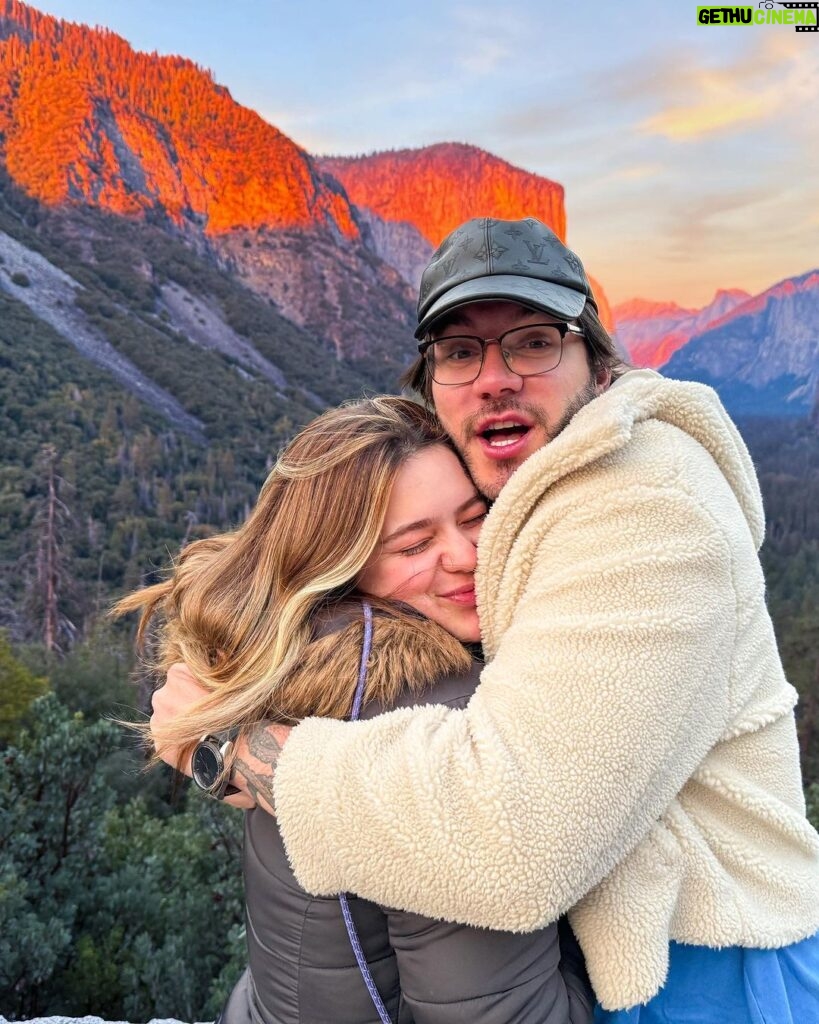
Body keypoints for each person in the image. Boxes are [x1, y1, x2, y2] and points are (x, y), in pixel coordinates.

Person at [153, 217, 819, 1020]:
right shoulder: (538, 496)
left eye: (533, 342)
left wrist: (233, 750)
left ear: (598, 365)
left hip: (707, 974)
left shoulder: (645, 507)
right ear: (429, 382)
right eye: (460, 351)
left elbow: (514, 838)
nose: (493, 377)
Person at [120, 396, 594, 1024]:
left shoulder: (303, 672)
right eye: (414, 544)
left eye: (475, 518)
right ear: (341, 568)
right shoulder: (435, 709)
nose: (466, 555)